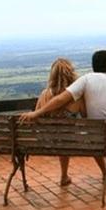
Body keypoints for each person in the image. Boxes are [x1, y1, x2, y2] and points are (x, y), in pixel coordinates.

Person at [19, 50, 106, 189]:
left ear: (93, 65)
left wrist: (37, 113)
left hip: (90, 140)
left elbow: (61, 99)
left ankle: (95, 173)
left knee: (92, 134)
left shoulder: (85, 79)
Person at [35, 58, 87, 186]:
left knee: (61, 137)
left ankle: (64, 175)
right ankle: (104, 173)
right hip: (72, 143)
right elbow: (87, 117)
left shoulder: (44, 95)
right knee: (66, 137)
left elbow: (35, 117)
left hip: (48, 142)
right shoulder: (77, 98)